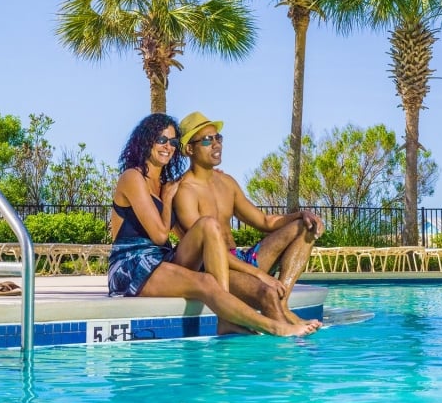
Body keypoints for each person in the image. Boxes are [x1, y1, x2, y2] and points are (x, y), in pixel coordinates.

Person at [106, 113, 316, 337]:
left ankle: (227, 320)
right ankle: (274, 326)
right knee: (206, 281)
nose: (168, 146)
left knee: (208, 226)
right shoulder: (133, 177)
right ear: (146, 140)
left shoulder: (168, 183)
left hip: (162, 258)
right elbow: (159, 235)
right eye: (161, 140)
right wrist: (167, 201)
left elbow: (178, 236)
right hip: (132, 265)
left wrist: (300, 215)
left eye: (173, 142)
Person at [174, 111, 325, 325]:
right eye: (208, 140)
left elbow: (265, 222)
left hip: (242, 259)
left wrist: (301, 215)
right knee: (266, 293)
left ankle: (283, 305)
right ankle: (283, 335)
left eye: (218, 138)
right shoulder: (185, 191)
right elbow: (206, 248)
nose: (216, 144)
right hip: (217, 268)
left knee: (304, 227)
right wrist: (259, 275)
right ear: (190, 149)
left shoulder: (227, 183)